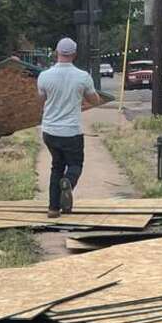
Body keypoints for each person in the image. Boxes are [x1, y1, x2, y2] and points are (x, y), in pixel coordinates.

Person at [38, 37, 102, 218]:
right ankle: (68, 182)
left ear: (56, 53)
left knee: (56, 166)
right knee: (75, 165)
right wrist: (82, 98)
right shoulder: (83, 77)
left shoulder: (44, 76)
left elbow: (41, 100)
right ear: (74, 54)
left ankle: (53, 208)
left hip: (50, 131)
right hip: (71, 131)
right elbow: (95, 100)